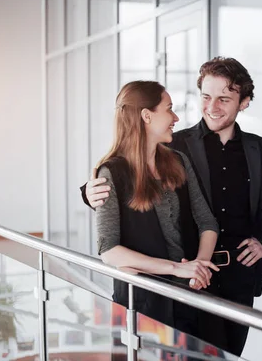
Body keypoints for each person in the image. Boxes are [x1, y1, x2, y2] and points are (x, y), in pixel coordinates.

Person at [84, 57, 262, 356]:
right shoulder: (175, 144)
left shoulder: (259, 148)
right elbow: (127, 171)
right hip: (185, 279)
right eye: (206, 97)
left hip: (238, 277)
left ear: (244, 102)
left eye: (224, 99)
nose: (212, 107)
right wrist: (89, 192)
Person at [91, 80, 220, 335]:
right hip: (140, 303)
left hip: (188, 297)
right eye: (169, 109)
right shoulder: (110, 172)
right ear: (146, 116)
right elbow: (109, 251)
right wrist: (176, 268)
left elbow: (207, 222)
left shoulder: (178, 161)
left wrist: (199, 268)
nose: (175, 117)